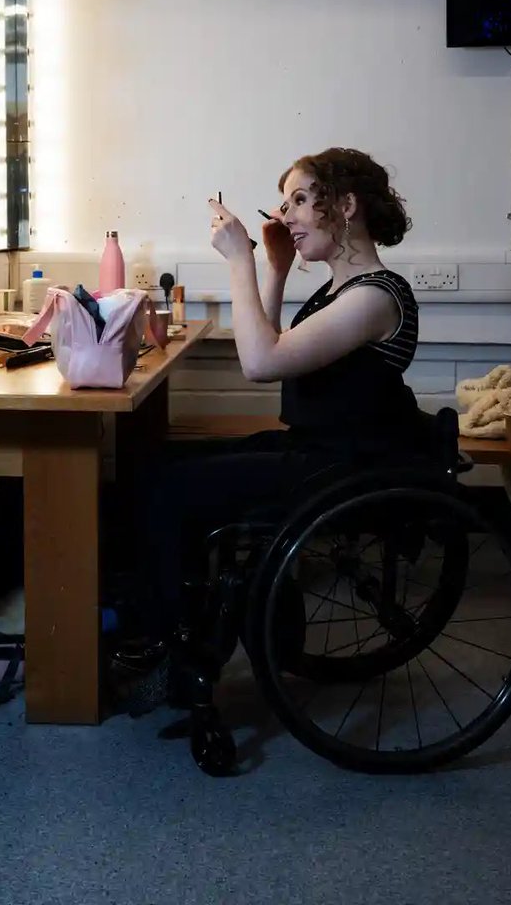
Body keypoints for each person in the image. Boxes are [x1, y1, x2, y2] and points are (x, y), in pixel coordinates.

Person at [114, 147, 427, 676]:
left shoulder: (374, 296)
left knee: (166, 491)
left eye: (302, 200)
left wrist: (240, 259)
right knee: (159, 468)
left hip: (343, 466)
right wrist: (275, 268)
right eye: (286, 204)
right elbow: (273, 345)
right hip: (320, 452)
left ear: (347, 205)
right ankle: (174, 629)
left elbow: (260, 362)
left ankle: (174, 648)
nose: (288, 217)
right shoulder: (342, 290)